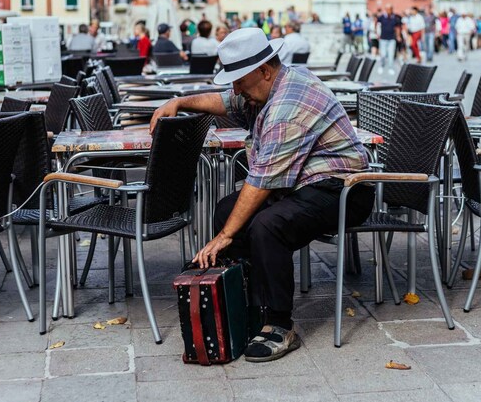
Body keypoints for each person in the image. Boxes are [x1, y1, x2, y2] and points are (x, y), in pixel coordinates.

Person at [149, 28, 374, 362]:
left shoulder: (287, 105)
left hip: (344, 188)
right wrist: (178, 101)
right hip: (301, 183)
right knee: (229, 211)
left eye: (239, 81)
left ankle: (280, 325)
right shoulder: (267, 84)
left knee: (268, 225)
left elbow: (261, 181)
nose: (235, 89)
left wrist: (223, 238)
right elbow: (225, 102)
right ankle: (250, 306)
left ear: (265, 70)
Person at [377, 5, 401, 71]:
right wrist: (377, 33)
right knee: (383, 53)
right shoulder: (382, 17)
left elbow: (397, 28)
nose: (388, 10)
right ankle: (382, 64)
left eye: (389, 9)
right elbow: (377, 24)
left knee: (391, 53)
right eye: (387, 9)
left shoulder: (395, 17)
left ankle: (390, 67)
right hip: (383, 38)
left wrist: (398, 36)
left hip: (392, 38)